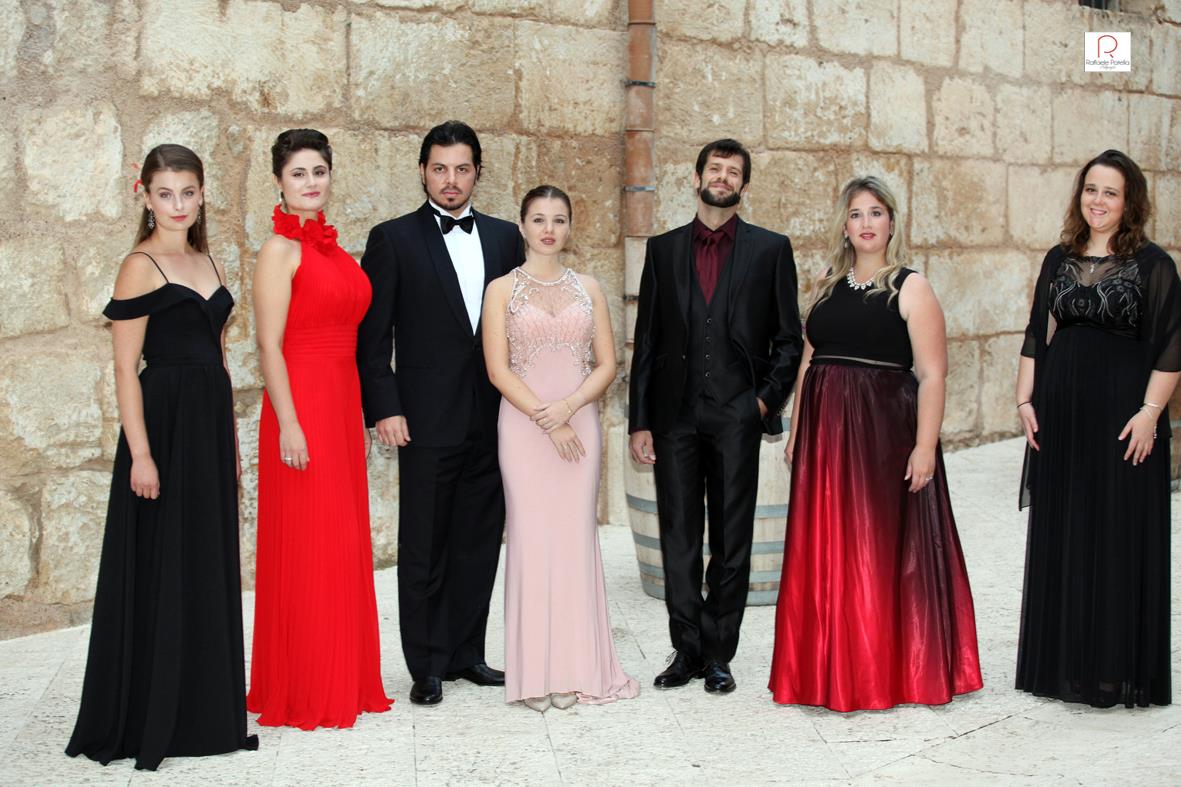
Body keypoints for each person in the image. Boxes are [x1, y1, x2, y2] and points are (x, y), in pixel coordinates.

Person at [65, 144, 257, 770]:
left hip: (207, 425)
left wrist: (230, 444)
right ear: (145, 196)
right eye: (165, 193)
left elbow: (218, 356)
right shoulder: (139, 265)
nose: (178, 204)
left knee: (202, 560)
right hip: (163, 426)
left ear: (203, 195)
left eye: (188, 192)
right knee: (160, 564)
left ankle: (204, 713)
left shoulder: (208, 260)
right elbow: (126, 368)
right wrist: (141, 455)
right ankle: (152, 714)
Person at [768, 176, 982, 711]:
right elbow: (809, 362)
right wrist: (797, 430)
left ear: (892, 222)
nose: (866, 223)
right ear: (844, 225)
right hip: (824, 439)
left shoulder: (912, 287)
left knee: (877, 551)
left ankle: (878, 671)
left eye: (876, 212)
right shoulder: (825, 284)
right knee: (828, 550)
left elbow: (932, 374)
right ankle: (826, 670)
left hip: (882, 438)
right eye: (856, 213)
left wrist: (925, 447)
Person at [357, 120, 523, 705]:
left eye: (462, 169)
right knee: (424, 545)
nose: (451, 180)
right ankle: (426, 665)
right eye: (439, 169)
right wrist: (385, 407)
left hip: (494, 417)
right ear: (423, 172)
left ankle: (466, 652)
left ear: (478, 173)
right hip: (423, 420)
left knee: (478, 541)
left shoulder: (506, 238)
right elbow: (372, 338)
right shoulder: (393, 239)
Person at [628, 138, 802, 694]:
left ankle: (719, 653)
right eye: (715, 168)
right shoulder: (662, 250)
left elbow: (789, 339)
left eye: (733, 172)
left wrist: (761, 403)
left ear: (744, 185)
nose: (722, 177)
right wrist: (640, 420)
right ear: (697, 177)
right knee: (679, 537)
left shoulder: (771, 250)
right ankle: (687, 649)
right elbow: (647, 341)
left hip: (736, 415)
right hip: (674, 417)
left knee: (732, 537)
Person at [1015, 149, 1179, 708]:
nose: (1098, 201)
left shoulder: (1154, 264)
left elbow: (1172, 345)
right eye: (1091, 189)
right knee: (1067, 527)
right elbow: (1037, 332)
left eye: (1110, 192)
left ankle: (1112, 669)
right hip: (1062, 415)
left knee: (1115, 532)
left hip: (1123, 417)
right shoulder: (1059, 258)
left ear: (1129, 202)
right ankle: (1063, 666)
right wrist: (1025, 399)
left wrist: (1150, 413)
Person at [247, 129, 392, 729]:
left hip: (339, 404)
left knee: (339, 541)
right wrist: (289, 424)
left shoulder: (336, 253)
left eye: (319, 171)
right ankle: (307, 684)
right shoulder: (278, 251)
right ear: (278, 182)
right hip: (301, 406)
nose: (311, 182)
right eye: (298, 173)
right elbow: (268, 344)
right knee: (309, 544)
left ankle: (342, 675)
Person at [482, 185, 639, 713]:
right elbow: (497, 369)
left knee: (573, 542)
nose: (549, 229)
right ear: (522, 226)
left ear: (570, 228)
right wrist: (547, 419)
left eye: (559, 219)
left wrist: (569, 408)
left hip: (580, 426)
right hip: (524, 429)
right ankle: (533, 674)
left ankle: (574, 668)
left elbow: (608, 364)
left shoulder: (589, 288)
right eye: (539, 219)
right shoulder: (501, 290)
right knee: (530, 542)